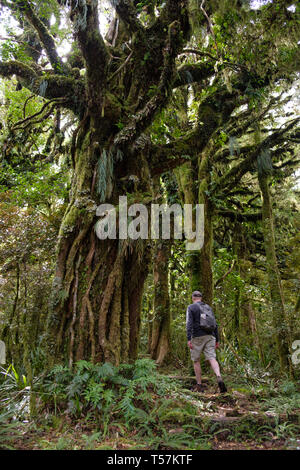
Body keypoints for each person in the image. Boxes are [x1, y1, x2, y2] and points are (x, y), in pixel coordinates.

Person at [186, 291, 227, 393]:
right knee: (212, 358)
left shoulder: (191, 307)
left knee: (196, 360)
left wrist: (188, 338)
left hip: (197, 337)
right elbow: (215, 324)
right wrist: (217, 340)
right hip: (210, 336)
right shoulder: (208, 307)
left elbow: (189, 324)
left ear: (192, 298)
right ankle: (219, 376)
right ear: (201, 298)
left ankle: (199, 385)